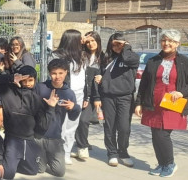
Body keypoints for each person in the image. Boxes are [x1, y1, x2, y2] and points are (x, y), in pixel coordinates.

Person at [135, 29, 188, 177]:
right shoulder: (153, 61)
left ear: (176, 44)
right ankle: (162, 164)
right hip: (154, 103)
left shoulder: (185, 62)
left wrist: (181, 92)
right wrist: (138, 103)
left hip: (172, 104)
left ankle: (170, 164)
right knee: (155, 134)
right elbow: (143, 85)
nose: (166, 43)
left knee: (162, 134)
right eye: (164, 40)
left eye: (170, 41)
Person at [0, 65, 52, 179]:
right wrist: (11, 78)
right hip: (12, 139)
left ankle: (15, 160)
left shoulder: (37, 99)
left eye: (30, 80)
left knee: (33, 171)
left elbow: (43, 125)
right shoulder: (8, 91)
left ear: (35, 81)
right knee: (8, 174)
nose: (27, 83)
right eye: (23, 80)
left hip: (29, 140)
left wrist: (51, 108)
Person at [94, 33, 140, 167]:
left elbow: (126, 58)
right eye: (113, 44)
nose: (116, 47)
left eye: (119, 43)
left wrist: (125, 47)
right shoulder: (106, 58)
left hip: (125, 97)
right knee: (110, 127)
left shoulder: (132, 57)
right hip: (108, 96)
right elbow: (98, 77)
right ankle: (112, 153)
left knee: (124, 127)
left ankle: (123, 152)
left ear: (125, 44)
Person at [34, 62, 80, 177]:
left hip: (55, 137)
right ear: (49, 73)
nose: (57, 76)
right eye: (54, 73)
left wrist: (74, 108)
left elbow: (73, 117)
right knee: (39, 169)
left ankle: (50, 155)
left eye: (60, 73)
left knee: (59, 172)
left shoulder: (69, 93)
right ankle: (41, 155)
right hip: (38, 136)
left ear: (66, 73)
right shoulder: (41, 88)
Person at [50, 29, 88, 165]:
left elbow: (85, 78)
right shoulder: (57, 56)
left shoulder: (82, 56)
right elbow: (53, 75)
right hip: (64, 93)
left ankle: (66, 152)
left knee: (73, 125)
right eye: (80, 39)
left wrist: (86, 97)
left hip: (79, 94)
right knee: (61, 125)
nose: (83, 41)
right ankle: (57, 153)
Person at [72, 31, 103, 160]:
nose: (90, 44)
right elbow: (71, 49)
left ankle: (83, 144)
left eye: (93, 41)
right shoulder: (82, 55)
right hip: (84, 93)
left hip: (97, 95)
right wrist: (81, 40)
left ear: (98, 41)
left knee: (84, 120)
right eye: (88, 41)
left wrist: (103, 77)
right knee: (81, 120)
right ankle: (82, 146)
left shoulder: (104, 57)